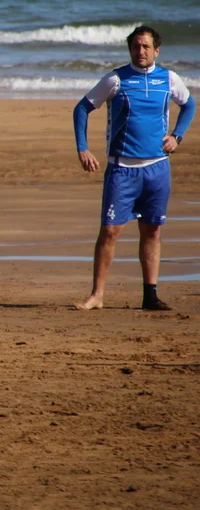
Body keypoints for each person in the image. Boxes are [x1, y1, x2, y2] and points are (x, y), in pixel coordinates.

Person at [72, 25, 195, 311]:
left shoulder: (169, 79)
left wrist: (177, 136)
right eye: (136, 46)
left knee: (152, 231)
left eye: (146, 46)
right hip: (122, 169)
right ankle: (97, 295)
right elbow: (82, 108)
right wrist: (82, 148)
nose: (141, 51)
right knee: (110, 231)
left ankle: (150, 296)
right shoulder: (116, 79)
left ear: (156, 50)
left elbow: (189, 105)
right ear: (130, 49)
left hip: (157, 169)